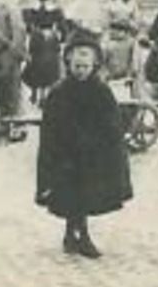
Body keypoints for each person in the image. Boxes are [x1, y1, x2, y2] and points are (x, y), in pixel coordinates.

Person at [35, 38, 133, 259]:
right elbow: (51, 126)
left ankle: (77, 234)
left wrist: (102, 143)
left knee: (85, 195)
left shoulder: (101, 91)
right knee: (71, 195)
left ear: (94, 66)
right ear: (69, 64)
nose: (81, 71)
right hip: (66, 156)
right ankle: (77, 234)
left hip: (92, 155)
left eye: (85, 67)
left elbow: (112, 124)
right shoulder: (59, 92)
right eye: (77, 67)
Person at [0, 0, 28, 128]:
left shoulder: (9, 7)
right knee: (0, 90)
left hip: (8, 53)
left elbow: (19, 30)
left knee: (12, 90)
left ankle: (17, 126)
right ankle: (5, 122)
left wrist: (15, 52)